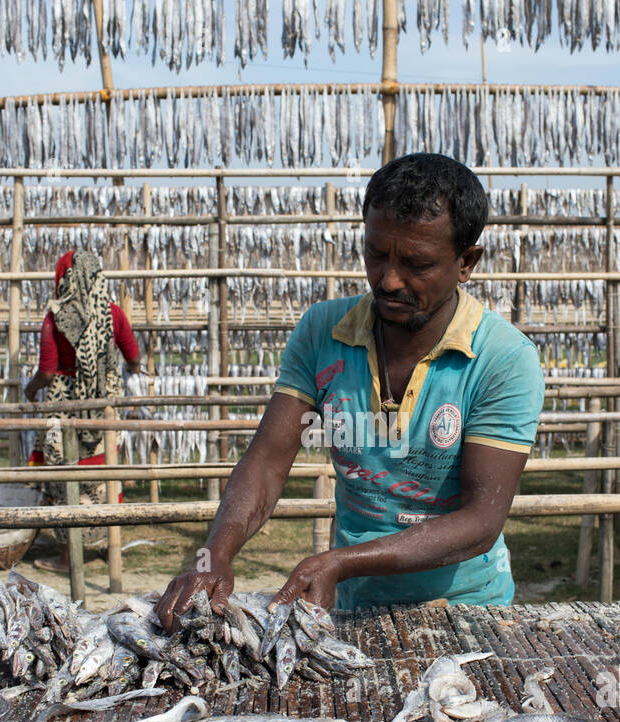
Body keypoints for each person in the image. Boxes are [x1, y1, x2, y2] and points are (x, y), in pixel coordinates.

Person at [156, 153, 545, 629]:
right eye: (377, 253)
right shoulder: (324, 331)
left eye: (417, 264)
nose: (389, 280)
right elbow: (266, 463)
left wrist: (342, 562)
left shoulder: (503, 358)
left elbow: (482, 520)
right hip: (353, 605)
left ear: (466, 262)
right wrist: (212, 555)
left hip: (468, 609)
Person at [25, 249, 143, 572]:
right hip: (104, 405)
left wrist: (31, 389)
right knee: (104, 471)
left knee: (65, 474)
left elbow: (47, 372)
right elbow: (133, 357)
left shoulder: (55, 318)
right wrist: (125, 370)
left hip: (64, 407)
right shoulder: (113, 314)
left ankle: (68, 555)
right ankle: (108, 543)